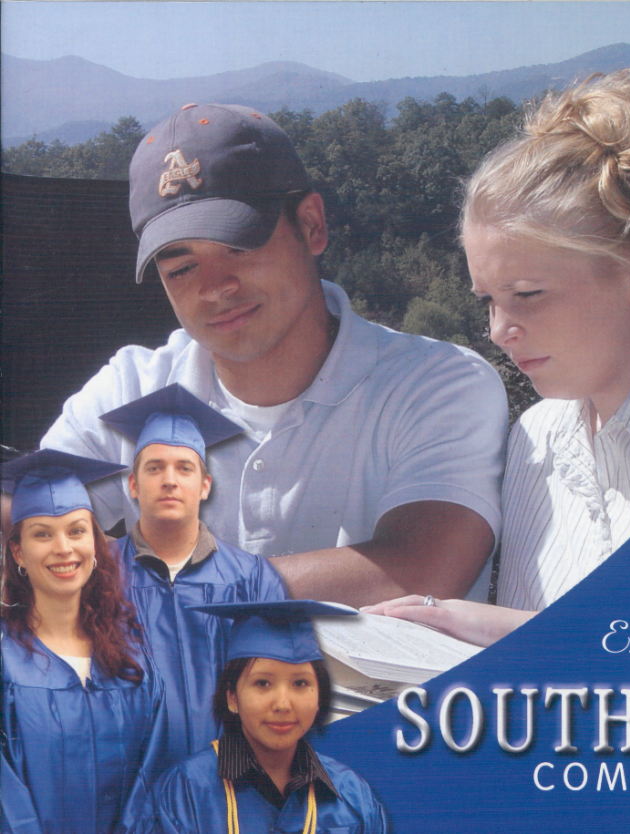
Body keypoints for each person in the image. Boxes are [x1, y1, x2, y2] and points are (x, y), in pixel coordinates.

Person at [34, 102, 507, 608]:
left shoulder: (437, 382)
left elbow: (422, 569)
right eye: (181, 268)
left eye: (239, 247)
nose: (215, 288)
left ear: (311, 225)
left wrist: (159, 587)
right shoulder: (133, 387)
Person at [367, 69, 630, 646]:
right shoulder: (537, 439)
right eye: (487, 301)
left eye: (527, 295)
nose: (499, 330)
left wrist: (523, 639)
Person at [98, 383, 290, 763]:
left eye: (184, 468)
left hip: (227, 788)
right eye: (154, 468)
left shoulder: (253, 580)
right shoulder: (97, 576)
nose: (169, 480)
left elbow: (275, 692)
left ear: (204, 487)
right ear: (133, 485)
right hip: (123, 791)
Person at [1, 450, 168, 834]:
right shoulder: (5, 662)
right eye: (42, 534)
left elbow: (152, 774)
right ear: (18, 552)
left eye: (77, 530)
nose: (63, 548)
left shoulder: (133, 659)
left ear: (95, 545)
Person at [130, 600, 388, 834]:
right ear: (232, 696)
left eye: (300, 683)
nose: (283, 704)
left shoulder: (354, 797)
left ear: (319, 697)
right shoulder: (184, 793)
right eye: (263, 683)